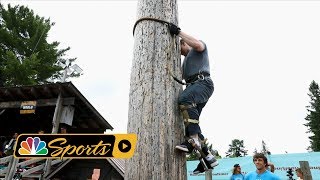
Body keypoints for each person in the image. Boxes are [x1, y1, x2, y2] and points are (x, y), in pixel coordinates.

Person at [168, 23, 218, 174]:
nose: (180, 53)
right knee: (190, 121)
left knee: (184, 100)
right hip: (195, 87)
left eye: (179, 48)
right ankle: (208, 159)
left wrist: (178, 32)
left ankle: (193, 140)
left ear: (183, 43)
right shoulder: (185, 63)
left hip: (203, 83)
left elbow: (197, 44)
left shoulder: (198, 50)